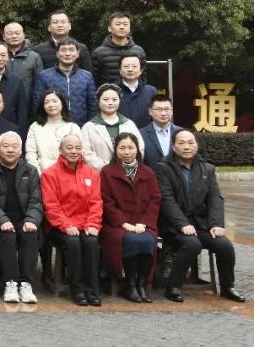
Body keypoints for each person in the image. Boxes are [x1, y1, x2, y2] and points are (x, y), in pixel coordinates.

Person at [156, 129, 246, 303]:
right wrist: (182, 224)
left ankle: (227, 287)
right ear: (173, 147)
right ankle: (173, 287)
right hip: (174, 225)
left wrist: (216, 224)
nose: (187, 147)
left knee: (225, 246)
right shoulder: (163, 168)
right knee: (192, 244)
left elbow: (215, 198)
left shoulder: (207, 168)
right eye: (181, 143)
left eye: (191, 143)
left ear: (197, 145)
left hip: (201, 224)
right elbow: (166, 200)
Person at [0, 132, 41, 304]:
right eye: (5, 146)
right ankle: (10, 283)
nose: (10, 150)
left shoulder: (31, 171)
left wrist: (31, 219)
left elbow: (36, 200)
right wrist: (2, 220)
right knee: (7, 235)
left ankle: (26, 284)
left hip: (23, 219)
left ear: (21, 150)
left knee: (30, 234)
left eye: (14, 146)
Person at [41, 134, 103, 306]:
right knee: (73, 242)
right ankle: (76, 289)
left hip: (85, 223)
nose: (74, 151)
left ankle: (92, 289)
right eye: (69, 148)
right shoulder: (49, 174)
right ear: (60, 150)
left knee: (91, 241)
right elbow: (51, 206)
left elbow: (96, 203)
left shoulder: (92, 174)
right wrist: (66, 225)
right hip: (58, 226)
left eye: (77, 148)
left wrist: (92, 224)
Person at [99, 132, 160, 303]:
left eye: (131, 148)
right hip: (116, 224)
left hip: (143, 223)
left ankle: (142, 283)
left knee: (147, 239)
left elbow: (155, 200)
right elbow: (106, 201)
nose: (126, 152)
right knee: (130, 239)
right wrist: (124, 223)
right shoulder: (107, 172)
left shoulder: (148, 172)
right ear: (116, 150)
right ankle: (129, 284)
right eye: (122, 148)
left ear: (137, 149)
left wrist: (144, 223)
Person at [33, 38, 97, 125]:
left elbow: (92, 105)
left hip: (81, 126)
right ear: (57, 53)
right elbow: (37, 103)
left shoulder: (86, 76)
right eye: (63, 50)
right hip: (52, 126)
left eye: (71, 50)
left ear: (78, 53)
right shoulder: (44, 76)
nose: (67, 54)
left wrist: (90, 125)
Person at [81, 84, 144, 171]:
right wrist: (107, 169)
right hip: (99, 173)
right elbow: (86, 153)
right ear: (98, 101)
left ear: (119, 101)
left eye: (114, 99)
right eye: (105, 99)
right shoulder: (89, 127)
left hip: (128, 173)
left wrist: (126, 166)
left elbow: (140, 148)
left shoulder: (129, 124)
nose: (110, 103)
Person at [24, 89, 81, 172]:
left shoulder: (72, 127)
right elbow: (30, 154)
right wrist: (38, 174)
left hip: (69, 172)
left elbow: (80, 153)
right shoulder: (35, 127)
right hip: (43, 172)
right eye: (46, 102)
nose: (51, 105)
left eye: (54, 101)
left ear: (62, 103)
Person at [91, 12, 147, 86]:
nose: (122, 27)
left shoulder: (139, 51)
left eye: (125, 24)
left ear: (129, 28)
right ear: (109, 28)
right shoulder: (99, 52)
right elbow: (94, 79)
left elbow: (143, 78)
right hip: (109, 92)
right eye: (118, 24)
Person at [3, 22, 43, 104]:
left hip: (26, 104)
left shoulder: (34, 57)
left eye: (17, 33)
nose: (14, 36)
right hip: (2, 104)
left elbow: (39, 85)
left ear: (24, 35)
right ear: (4, 36)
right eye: (10, 33)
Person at [139, 94, 181, 167]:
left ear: (172, 111)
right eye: (159, 109)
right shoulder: (141, 134)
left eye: (167, 109)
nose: (163, 113)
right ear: (150, 111)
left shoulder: (181, 133)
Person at [116, 54, 157, 129]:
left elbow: (157, 115)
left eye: (134, 66)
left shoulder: (151, 91)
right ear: (120, 70)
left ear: (141, 70)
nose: (130, 69)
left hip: (145, 134)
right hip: (120, 134)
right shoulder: (112, 90)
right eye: (126, 66)